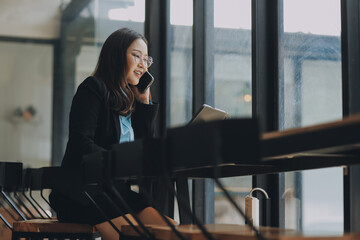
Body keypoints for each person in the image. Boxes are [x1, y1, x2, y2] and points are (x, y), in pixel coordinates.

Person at [49, 28, 176, 240]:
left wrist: (144, 103)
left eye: (146, 59)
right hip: (83, 192)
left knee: (173, 232)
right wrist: (121, 161)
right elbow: (82, 144)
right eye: (136, 56)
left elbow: (144, 150)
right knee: (137, 236)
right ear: (116, 55)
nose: (143, 65)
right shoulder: (93, 88)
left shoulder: (130, 100)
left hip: (116, 193)